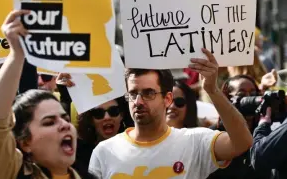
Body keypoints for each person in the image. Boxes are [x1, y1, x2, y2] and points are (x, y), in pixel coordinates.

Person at [89, 48, 253, 178]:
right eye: (132, 94)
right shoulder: (104, 152)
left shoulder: (194, 142)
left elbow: (242, 143)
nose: (138, 102)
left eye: (148, 93)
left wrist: (213, 91)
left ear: (168, 99)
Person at [0, 10, 87, 179]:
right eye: (49, 122)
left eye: (66, 118)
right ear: (25, 143)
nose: (65, 125)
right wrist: (17, 54)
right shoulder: (8, 173)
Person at [207, 75, 270, 179]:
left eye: (253, 93)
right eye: (241, 94)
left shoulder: (265, 131)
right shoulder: (213, 135)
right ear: (227, 99)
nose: (249, 98)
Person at [74, 98, 126, 178]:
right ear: (91, 120)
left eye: (113, 111)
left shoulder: (134, 148)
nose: (107, 117)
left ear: (121, 115)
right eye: (98, 113)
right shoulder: (78, 154)